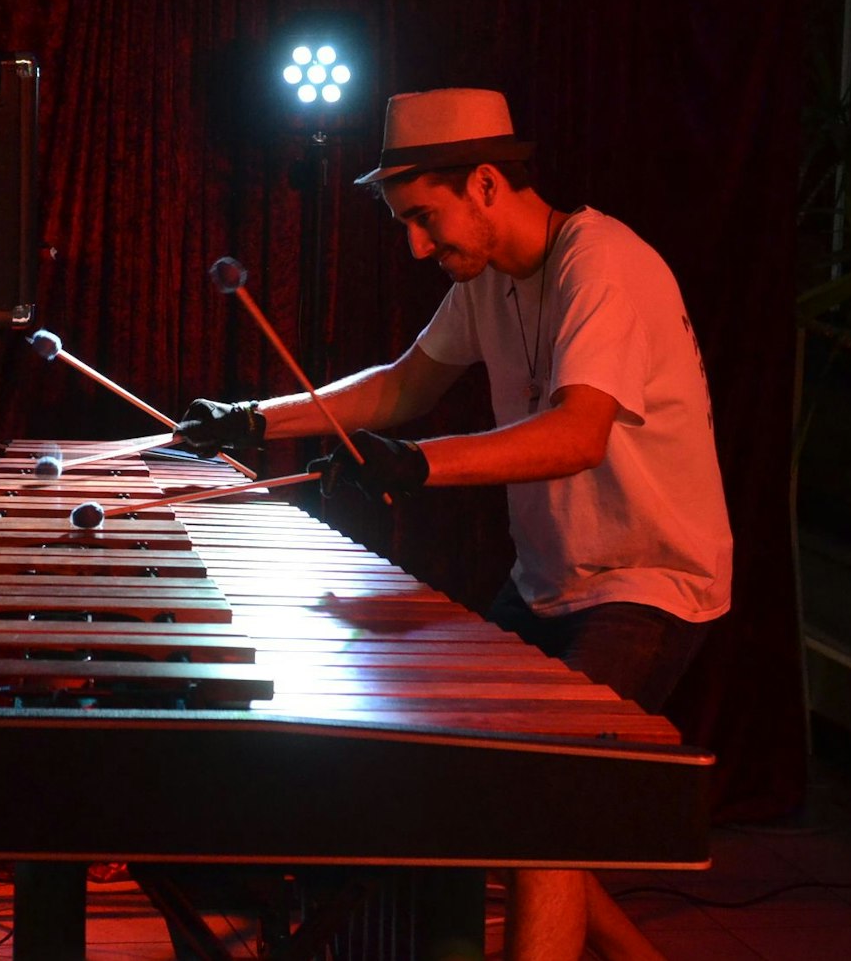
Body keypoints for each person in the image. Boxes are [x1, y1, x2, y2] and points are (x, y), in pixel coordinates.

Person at [177, 87, 731, 961]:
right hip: (551, 583)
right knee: (472, 781)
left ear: (485, 184)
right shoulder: (493, 280)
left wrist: (419, 463)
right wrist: (251, 416)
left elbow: (579, 432)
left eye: (425, 217)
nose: (416, 244)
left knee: (537, 803)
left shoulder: (603, 266)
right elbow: (402, 385)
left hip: (649, 583)